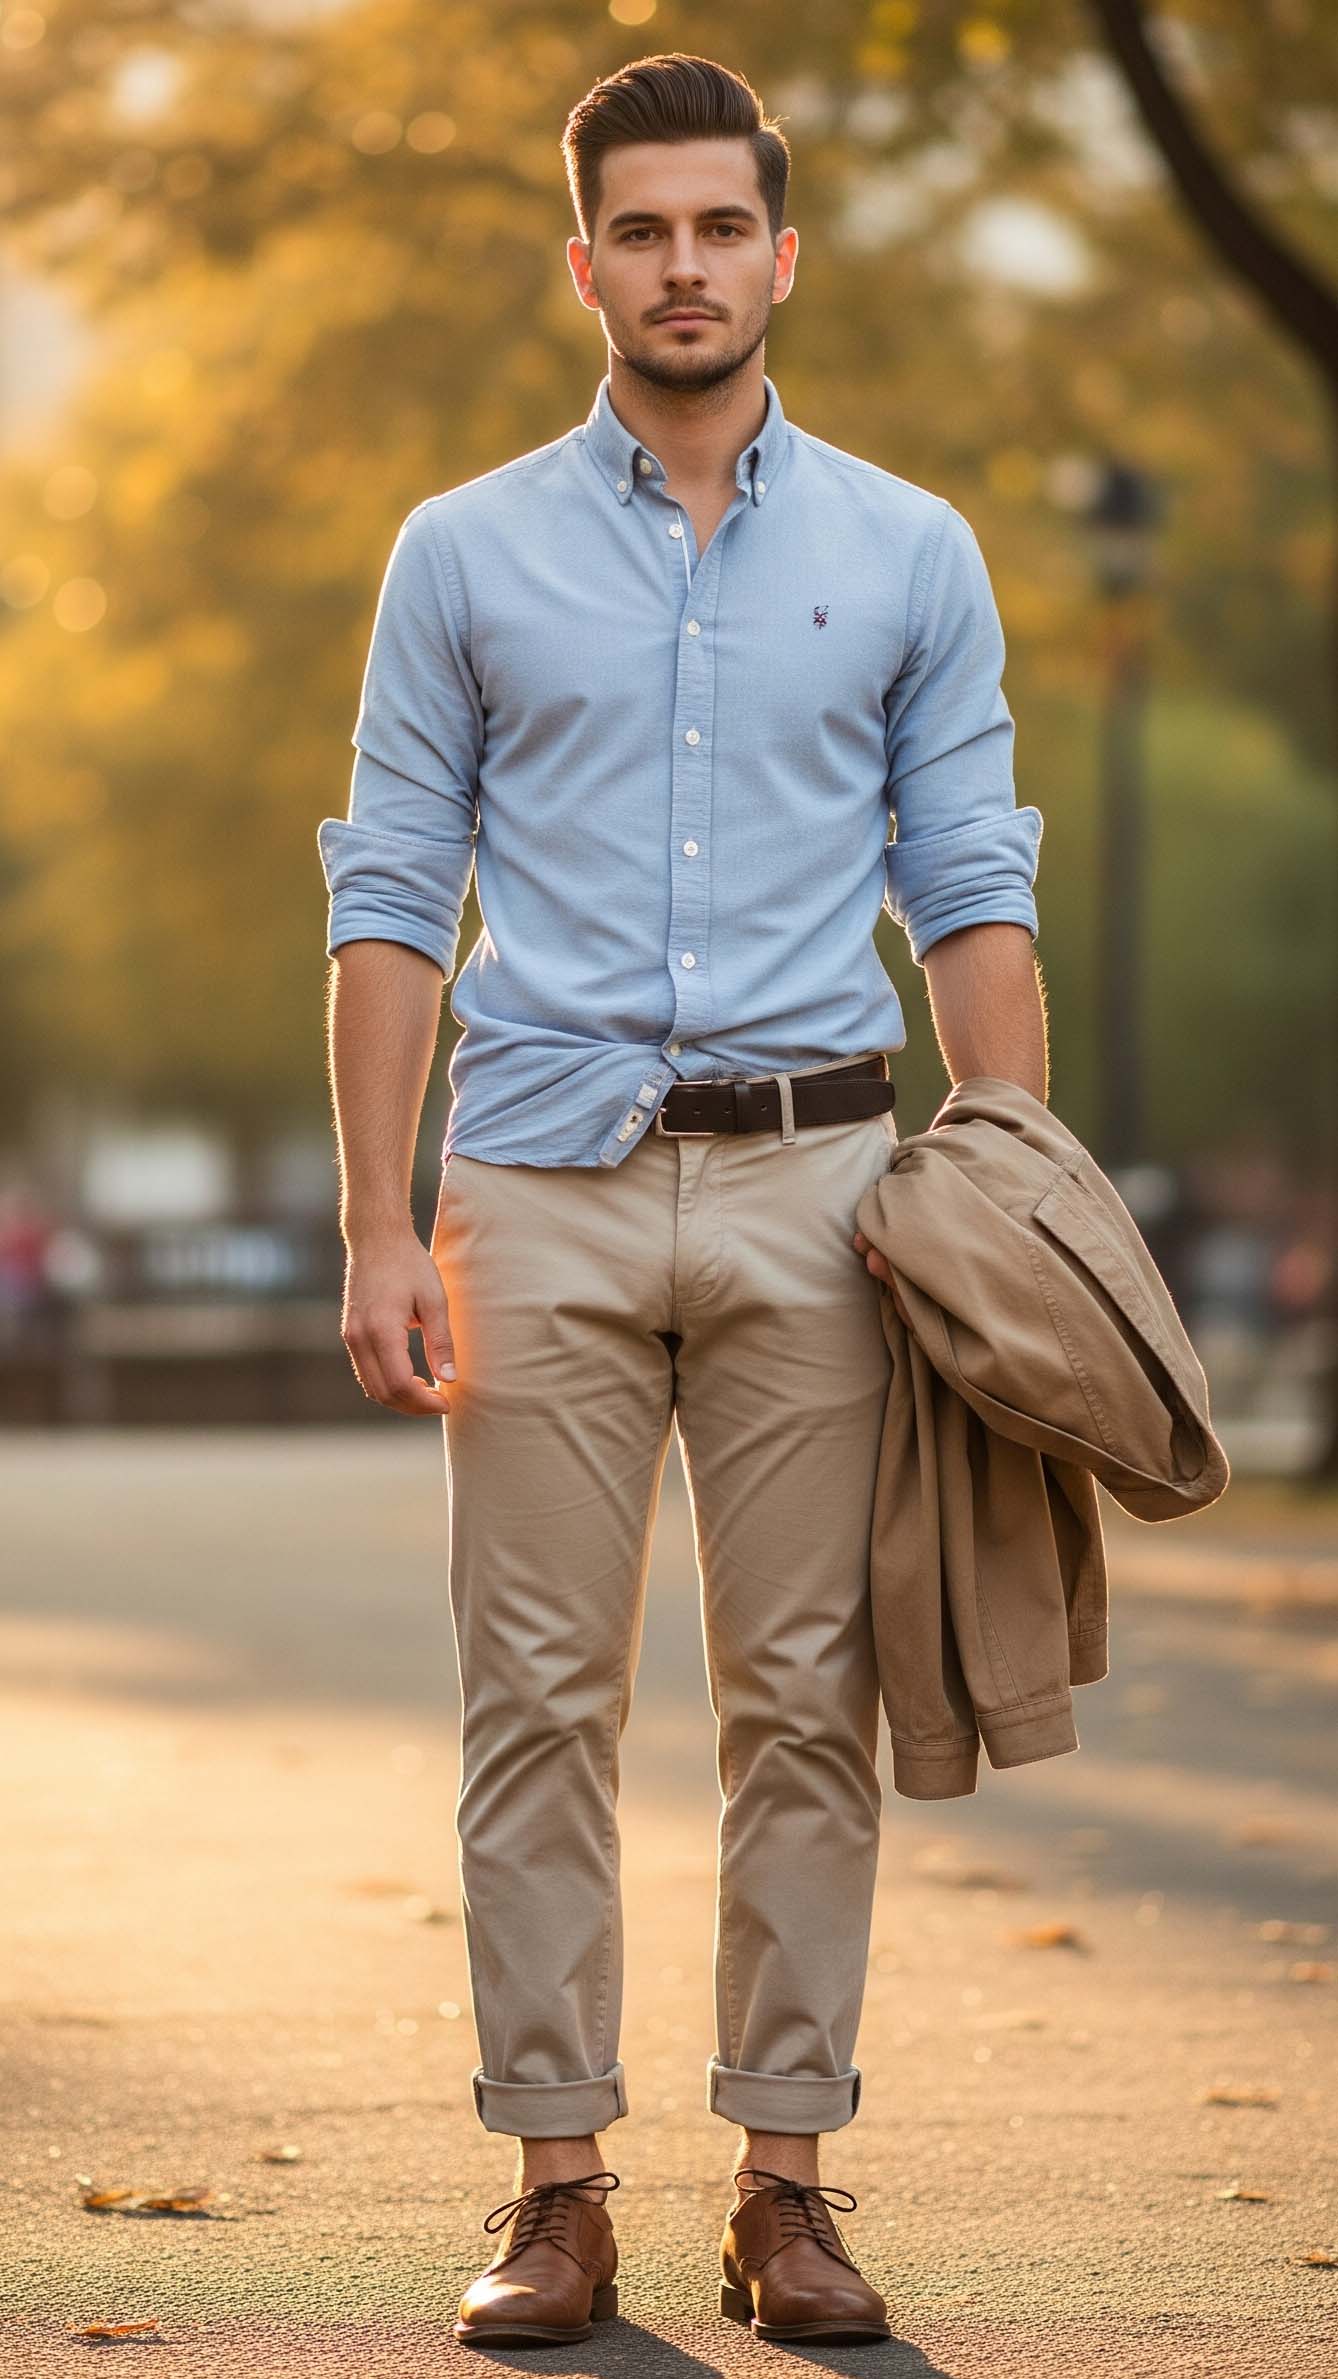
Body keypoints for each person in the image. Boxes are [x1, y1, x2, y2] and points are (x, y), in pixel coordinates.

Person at [317, 49, 1048, 2348]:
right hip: (528, 1187)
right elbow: (388, 896)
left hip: (822, 1191)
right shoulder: (461, 551)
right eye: (641, 229)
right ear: (585, 265)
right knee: (533, 1693)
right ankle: (557, 2187)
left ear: (781, 253)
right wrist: (374, 1221)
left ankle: (786, 2183)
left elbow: (973, 885)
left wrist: (1016, 1193)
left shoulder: (912, 550)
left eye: (721, 224)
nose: (685, 264)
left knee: (806, 1697)